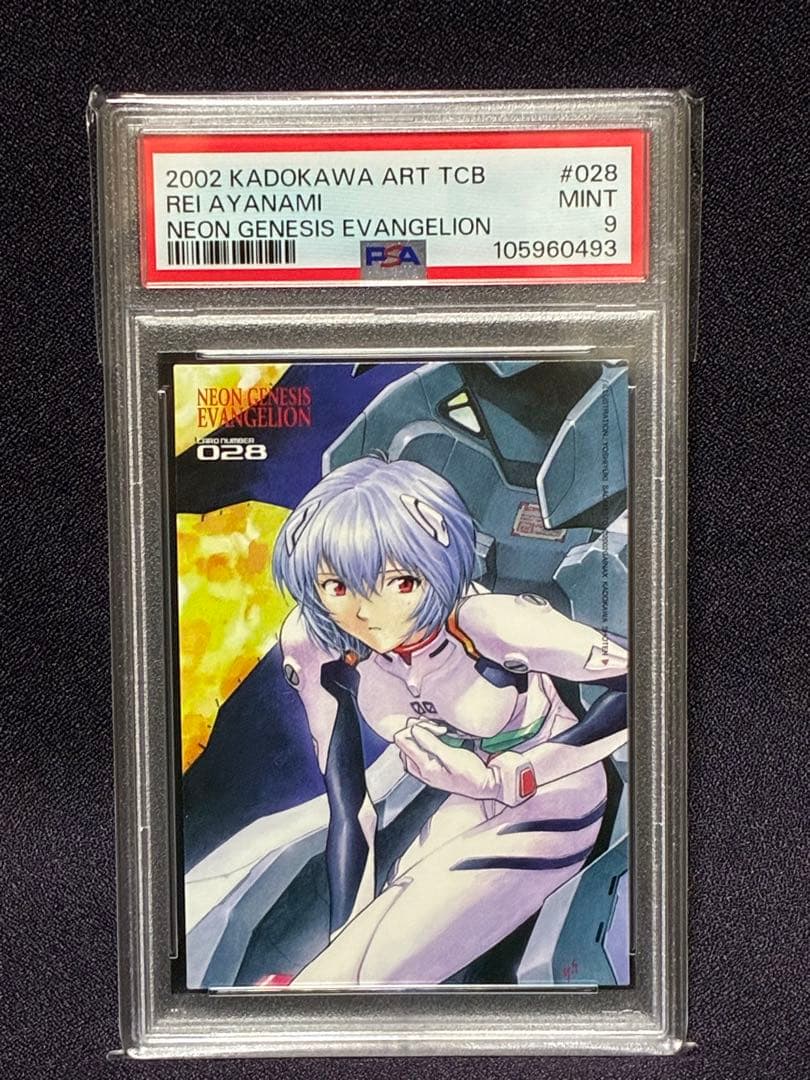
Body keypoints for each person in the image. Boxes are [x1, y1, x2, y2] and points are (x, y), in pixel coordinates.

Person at [272, 455, 627, 985]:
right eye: (338, 588)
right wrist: (340, 942)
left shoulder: (489, 623)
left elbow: (640, 683)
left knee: (381, 965)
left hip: (555, 798)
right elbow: (350, 809)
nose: (366, 612)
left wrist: (516, 776)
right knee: (353, 959)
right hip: (462, 804)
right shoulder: (316, 645)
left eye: (396, 581)